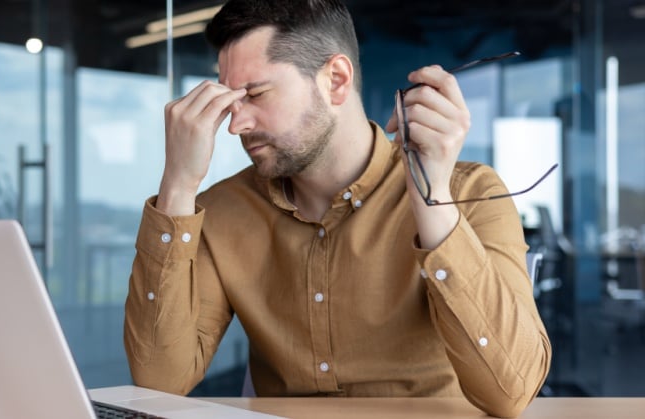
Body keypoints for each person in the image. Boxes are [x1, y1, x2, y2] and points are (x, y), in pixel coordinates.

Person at [123, 0, 551, 417]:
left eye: (254, 94)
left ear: (336, 80)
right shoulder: (222, 210)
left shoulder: (472, 191)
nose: (237, 124)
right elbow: (161, 380)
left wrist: (432, 196)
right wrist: (177, 183)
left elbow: (510, 393)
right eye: (229, 102)